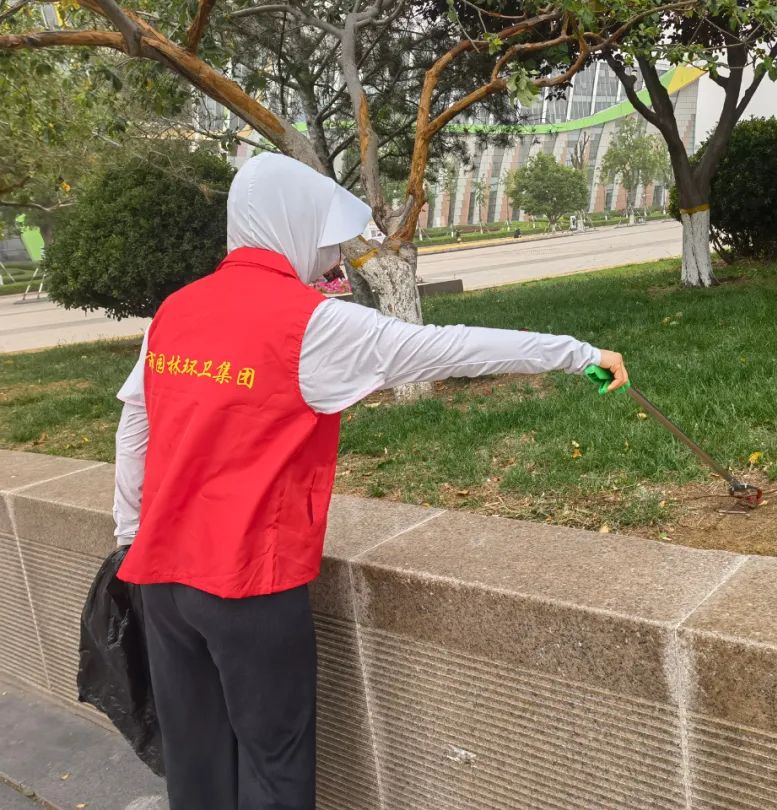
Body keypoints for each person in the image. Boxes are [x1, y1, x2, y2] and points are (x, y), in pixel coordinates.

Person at [111, 152, 628, 810]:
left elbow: (135, 424)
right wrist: (579, 352)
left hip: (160, 579)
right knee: (274, 765)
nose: (332, 257)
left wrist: (128, 534)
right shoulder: (309, 324)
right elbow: (449, 346)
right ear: (290, 224)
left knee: (195, 760)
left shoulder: (177, 310)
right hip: (248, 586)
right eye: (324, 238)